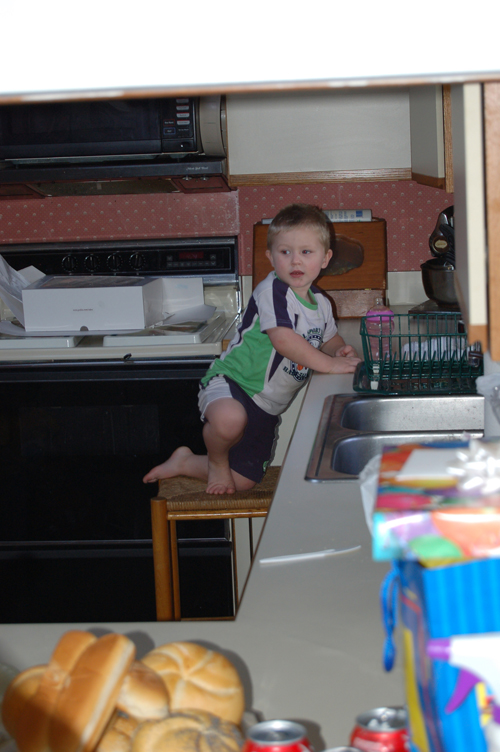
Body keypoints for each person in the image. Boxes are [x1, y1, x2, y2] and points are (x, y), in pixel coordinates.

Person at [143, 203, 361, 494]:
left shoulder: (321, 303)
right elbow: (283, 339)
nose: (295, 261)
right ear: (271, 257)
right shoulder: (272, 291)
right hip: (233, 381)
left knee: (243, 482)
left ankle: (185, 462)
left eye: (306, 252)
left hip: (267, 406)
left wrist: (339, 351)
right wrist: (330, 365)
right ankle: (217, 461)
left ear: (325, 258)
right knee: (230, 420)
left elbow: (328, 337)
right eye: (286, 252)